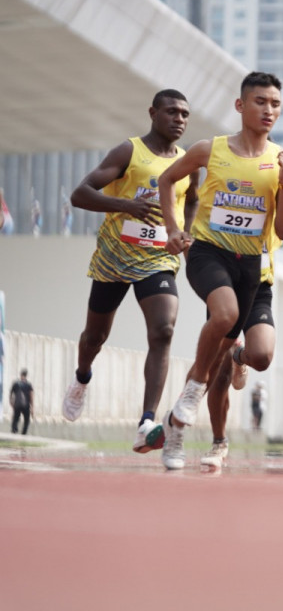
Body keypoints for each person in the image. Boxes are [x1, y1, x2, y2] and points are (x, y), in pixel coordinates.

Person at [157, 72, 283, 471]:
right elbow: (167, 179)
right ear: (240, 105)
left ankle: (177, 422)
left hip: (251, 267)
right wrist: (173, 229)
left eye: (275, 104)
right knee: (224, 316)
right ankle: (192, 398)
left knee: (249, 356)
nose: (268, 110)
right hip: (209, 253)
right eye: (260, 102)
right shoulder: (210, 149)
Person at [61, 89, 198, 454]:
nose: (179, 119)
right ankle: (81, 378)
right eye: (172, 112)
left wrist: (185, 232)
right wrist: (126, 205)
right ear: (153, 113)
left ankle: (146, 422)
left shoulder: (188, 162)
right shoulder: (129, 152)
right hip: (114, 257)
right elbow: (79, 194)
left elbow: (193, 199)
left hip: (158, 259)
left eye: (185, 114)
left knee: (164, 330)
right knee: (95, 337)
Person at [199, 223, 283, 470]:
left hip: (258, 289)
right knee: (219, 375)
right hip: (225, 289)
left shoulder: (274, 211)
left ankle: (238, 355)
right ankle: (219, 442)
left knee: (262, 357)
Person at [9, 369, 32, 435]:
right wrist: (32, 406)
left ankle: (14, 430)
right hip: (26, 405)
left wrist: (11, 401)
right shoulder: (28, 385)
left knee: (16, 418)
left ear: (21, 375)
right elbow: (31, 395)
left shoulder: (16, 383)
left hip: (17, 404)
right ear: (26, 375)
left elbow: (11, 392)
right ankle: (24, 433)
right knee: (26, 420)